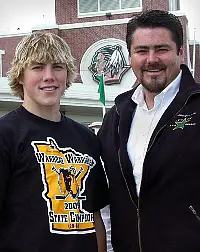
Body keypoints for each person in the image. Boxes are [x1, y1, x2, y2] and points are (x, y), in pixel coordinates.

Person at [98, 9, 200, 252]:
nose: (151, 59)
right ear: (130, 56)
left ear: (180, 52)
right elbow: (108, 199)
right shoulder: (117, 116)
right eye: (142, 51)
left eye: (162, 49)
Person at [0, 32, 109, 252]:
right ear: (20, 76)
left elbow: (93, 214)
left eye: (57, 67)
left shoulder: (86, 138)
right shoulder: (5, 133)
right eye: (38, 67)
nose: (49, 76)